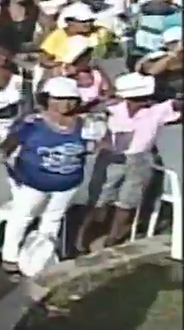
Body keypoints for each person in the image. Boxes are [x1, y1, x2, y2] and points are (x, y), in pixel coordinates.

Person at [77, 73, 181, 251]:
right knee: (100, 199)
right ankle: (82, 239)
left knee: (128, 202)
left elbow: (178, 106)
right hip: (112, 157)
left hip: (140, 158)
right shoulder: (113, 108)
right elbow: (86, 112)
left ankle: (112, 240)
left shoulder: (159, 109)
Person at [0, 77, 89, 276]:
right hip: (33, 183)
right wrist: (6, 157)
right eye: (59, 99)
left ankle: (40, 260)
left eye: (70, 99)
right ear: (47, 99)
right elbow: (9, 143)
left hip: (68, 183)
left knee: (52, 221)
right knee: (22, 218)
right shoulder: (32, 122)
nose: (65, 104)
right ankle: (10, 259)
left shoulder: (84, 123)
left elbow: (94, 145)